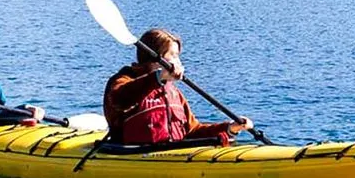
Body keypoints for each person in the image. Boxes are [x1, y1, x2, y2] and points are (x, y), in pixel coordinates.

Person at [103, 28, 251, 145]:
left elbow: (192, 130)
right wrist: (158, 76)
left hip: (173, 154)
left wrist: (229, 128)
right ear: (156, 58)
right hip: (132, 156)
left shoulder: (172, 92)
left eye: (178, 55)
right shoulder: (123, 81)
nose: (178, 61)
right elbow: (119, 100)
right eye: (173, 55)